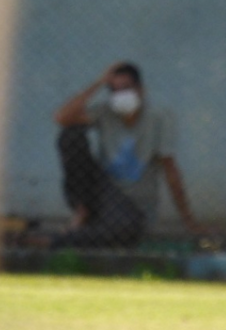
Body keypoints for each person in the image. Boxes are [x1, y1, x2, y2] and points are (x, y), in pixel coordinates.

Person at [49, 61, 200, 248]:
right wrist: (99, 82)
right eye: (115, 90)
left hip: (133, 204)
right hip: (102, 192)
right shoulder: (105, 112)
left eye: (126, 88)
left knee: (123, 230)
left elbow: (170, 170)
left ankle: (54, 242)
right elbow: (61, 118)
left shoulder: (159, 118)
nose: (121, 95)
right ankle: (83, 210)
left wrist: (188, 220)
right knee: (70, 135)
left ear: (141, 90)